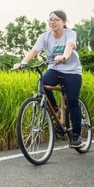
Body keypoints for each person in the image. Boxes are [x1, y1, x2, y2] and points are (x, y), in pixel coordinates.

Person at [12, 10, 84, 148]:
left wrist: (64, 56)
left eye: (56, 20)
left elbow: (69, 46)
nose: (52, 22)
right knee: (43, 83)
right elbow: (34, 51)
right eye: (50, 19)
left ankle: (76, 135)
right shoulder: (44, 37)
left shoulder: (70, 33)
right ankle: (55, 109)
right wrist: (23, 63)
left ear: (63, 22)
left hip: (72, 71)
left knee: (72, 101)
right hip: (55, 69)